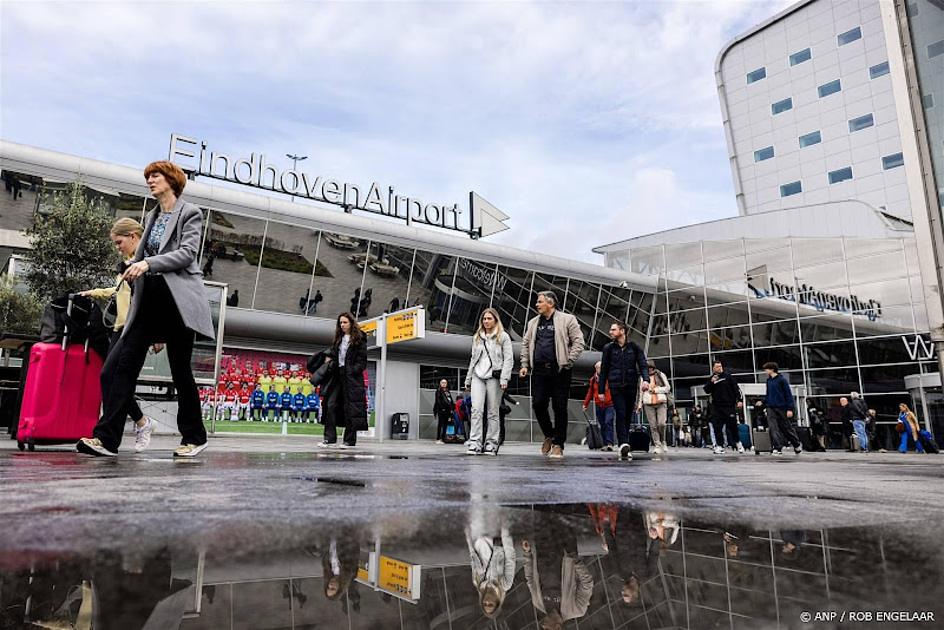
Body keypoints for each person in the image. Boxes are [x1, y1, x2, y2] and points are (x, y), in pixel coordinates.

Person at [77, 160, 213, 458]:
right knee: (120, 367)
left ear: (172, 180)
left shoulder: (190, 213)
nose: (150, 181)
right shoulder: (151, 215)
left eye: (155, 176)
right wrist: (130, 265)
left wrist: (147, 263)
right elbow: (141, 254)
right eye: (148, 177)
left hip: (177, 300)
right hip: (148, 299)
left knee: (180, 371)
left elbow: (187, 254)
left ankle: (194, 436)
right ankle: (107, 439)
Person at [79, 217, 155, 452]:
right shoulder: (127, 264)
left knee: (114, 378)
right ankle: (141, 422)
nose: (117, 247)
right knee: (111, 379)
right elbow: (120, 291)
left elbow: (155, 299)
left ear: (134, 236)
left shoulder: (147, 263)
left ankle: (106, 438)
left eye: (119, 241)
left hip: (136, 329)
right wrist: (96, 292)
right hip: (119, 329)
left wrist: (157, 335)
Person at [519, 291, 585, 459]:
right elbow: (526, 344)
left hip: (560, 370)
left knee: (559, 407)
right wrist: (525, 365)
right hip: (539, 370)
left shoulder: (567, 319)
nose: (536, 304)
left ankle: (558, 444)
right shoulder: (533, 323)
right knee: (538, 404)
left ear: (551, 303)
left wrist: (569, 360)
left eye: (540, 302)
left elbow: (579, 341)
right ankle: (549, 434)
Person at [464, 308, 514, 455]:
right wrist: (468, 379)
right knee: (476, 411)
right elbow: (473, 359)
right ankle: (475, 443)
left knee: (493, 412)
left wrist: (505, 377)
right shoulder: (477, 337)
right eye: (484, 319)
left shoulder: (503, 337)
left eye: (489, 319)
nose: (486, 321)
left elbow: (509, 359)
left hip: (494, 377)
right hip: (477, 376)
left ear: (496, 320)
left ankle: (491, 443)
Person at [599, 321, 648, 460]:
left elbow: (643, 364)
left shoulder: (634, 347)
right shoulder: (608, 348)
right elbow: (603, 371)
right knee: (620, 413)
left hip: (631, 385)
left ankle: (624, 443)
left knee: (627, 415)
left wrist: (646, 380)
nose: (610, 332)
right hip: (615, 386)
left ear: (622, 331)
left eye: (613, 329)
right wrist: (601, 391)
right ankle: (623, 443)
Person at [318, 313, 369, 448]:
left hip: (351, 378)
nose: (342, 325)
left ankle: (349, 440)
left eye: (345, 322)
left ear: (351, 323)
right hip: (337, 375)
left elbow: (362, 362)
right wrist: (329, 358)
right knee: (330, 405)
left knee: (350, 408)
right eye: (340, 323)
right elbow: (335, 354)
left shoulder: (359, 339)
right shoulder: (338, 339)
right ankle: (329, 439)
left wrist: (352, 371)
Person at [466, 509, 516, 619]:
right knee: (492, 503)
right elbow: (510, 557)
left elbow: (473, 557)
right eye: (491, 604)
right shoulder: (505, 584)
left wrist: (468, 538)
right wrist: (505, 530)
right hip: (494, 538)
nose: (487, 602)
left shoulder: (477, 582)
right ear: (498, 602)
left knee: (476, 503)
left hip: (477, 538)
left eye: (485, 604)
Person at [758, 362, 801, 456]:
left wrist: (790, 409)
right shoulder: (769, 381)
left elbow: (788, 395)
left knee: (786, 428)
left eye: (766, 369)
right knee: (773, 428)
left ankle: (796, 444)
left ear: (772, 369)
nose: (765, 371)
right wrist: (763, 402)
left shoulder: (782, 380)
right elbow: (768, 394)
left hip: (782, 408)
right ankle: (777, 448)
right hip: (770, 407)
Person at [703, 359, 745, 455]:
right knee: (717, 427)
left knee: (732, 426)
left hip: (729, 405)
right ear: (713, 368)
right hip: (717, 407)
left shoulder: (728, 377)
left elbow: (736, 389)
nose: (719, 368)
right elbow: (706, 390)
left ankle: (738, 443)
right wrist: (711, 382)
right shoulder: (712, 378)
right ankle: (720, 446)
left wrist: (740, 400)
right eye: (717, 367)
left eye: (720, 366)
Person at [582, 361, 615, 451]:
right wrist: (585, 404)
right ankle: (604, 443)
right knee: (603, 424)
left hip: (609, 404)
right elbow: (590, 392)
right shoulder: (593, 379)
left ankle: (610, 443)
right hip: (599, 404)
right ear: (596, 369)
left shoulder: (609, 378)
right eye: (599, 368)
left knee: (608, 422)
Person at [641, 360, 671, 454]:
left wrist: (655, 390)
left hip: (661, 402)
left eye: (650, 368)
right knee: (653, 426)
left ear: (653, 368)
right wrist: (639, 404)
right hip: (648, 403)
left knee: (661, 424)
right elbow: (640, 391)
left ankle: (663, 441)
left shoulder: (660, 375)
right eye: (647, 368)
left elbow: (667, 388)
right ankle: (657, 445)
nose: (649, 370)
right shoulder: (643, 377)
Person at [433, 378, 455, 444]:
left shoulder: (447, 391)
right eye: (442, 382)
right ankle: (438, 438)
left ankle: (443, 438)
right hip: (441, 410)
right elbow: (438, 400)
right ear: (440, 383)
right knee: (440, 424)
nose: (444, 384)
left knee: (445, 424)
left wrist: (452, 408)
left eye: (445, 383)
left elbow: (450, 400)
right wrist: (441, 408)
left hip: (447, 410)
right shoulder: (438, 390)